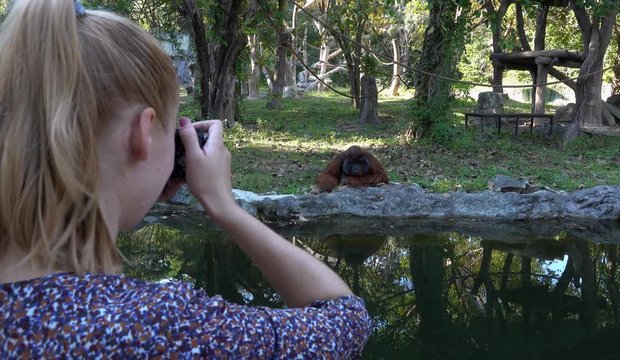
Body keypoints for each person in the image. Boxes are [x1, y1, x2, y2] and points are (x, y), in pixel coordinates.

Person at [0, 0, 372, 358]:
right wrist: (224, 207)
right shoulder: (158, 326)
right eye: (172, 129)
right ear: (143, 133)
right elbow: (344, 319)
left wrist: (136, 184)